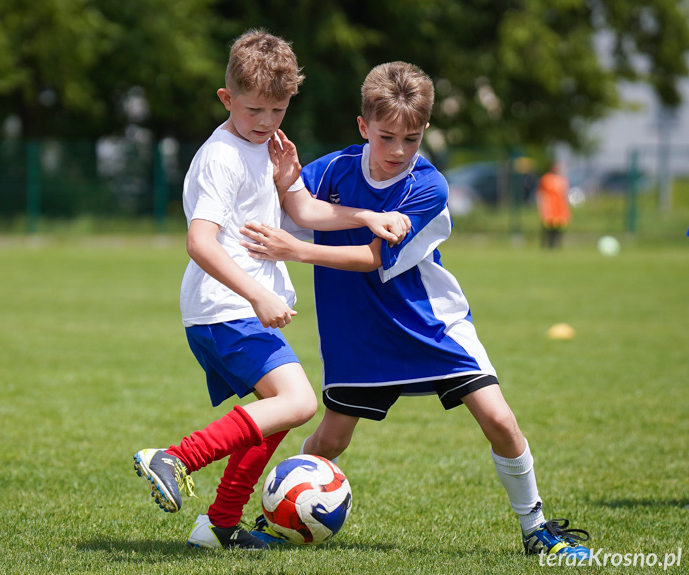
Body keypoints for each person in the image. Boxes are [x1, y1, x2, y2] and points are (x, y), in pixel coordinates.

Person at [241, 61, 592, 559]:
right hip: (357, 329)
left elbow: (370, 258)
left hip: (429, 323)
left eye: (411, 138)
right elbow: (287, 209)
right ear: (364, 127)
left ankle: (537, 530)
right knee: (330, 439)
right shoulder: (333, 171)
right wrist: (277, 182)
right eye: (387, 138)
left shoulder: (428, 187)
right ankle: (277, 519)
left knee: (500, 420)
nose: (399, 151)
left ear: (424, 131)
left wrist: (293, 250)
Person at [133, 31, 410, 551]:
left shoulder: (269, 147)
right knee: (299, 401)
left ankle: (218, 528)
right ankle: (175, 457)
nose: (266, 121)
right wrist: (258, 296)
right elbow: (199, 242)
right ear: (226, 99)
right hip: (225, 308)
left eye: (278, 110)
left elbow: (304, 210)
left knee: (276, 416)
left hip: (241, 310)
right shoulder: (221, 156)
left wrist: (368, 215)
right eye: (254, 108)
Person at [536, 161, 571, 249]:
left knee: (559, 226)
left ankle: (557, 244)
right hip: (549, 206)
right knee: (548, 226)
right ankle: (547, 244)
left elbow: (565, 194)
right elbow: (540, 192)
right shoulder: (546, 178)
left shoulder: (563, 180)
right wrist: (541, 205)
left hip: (559, 207)